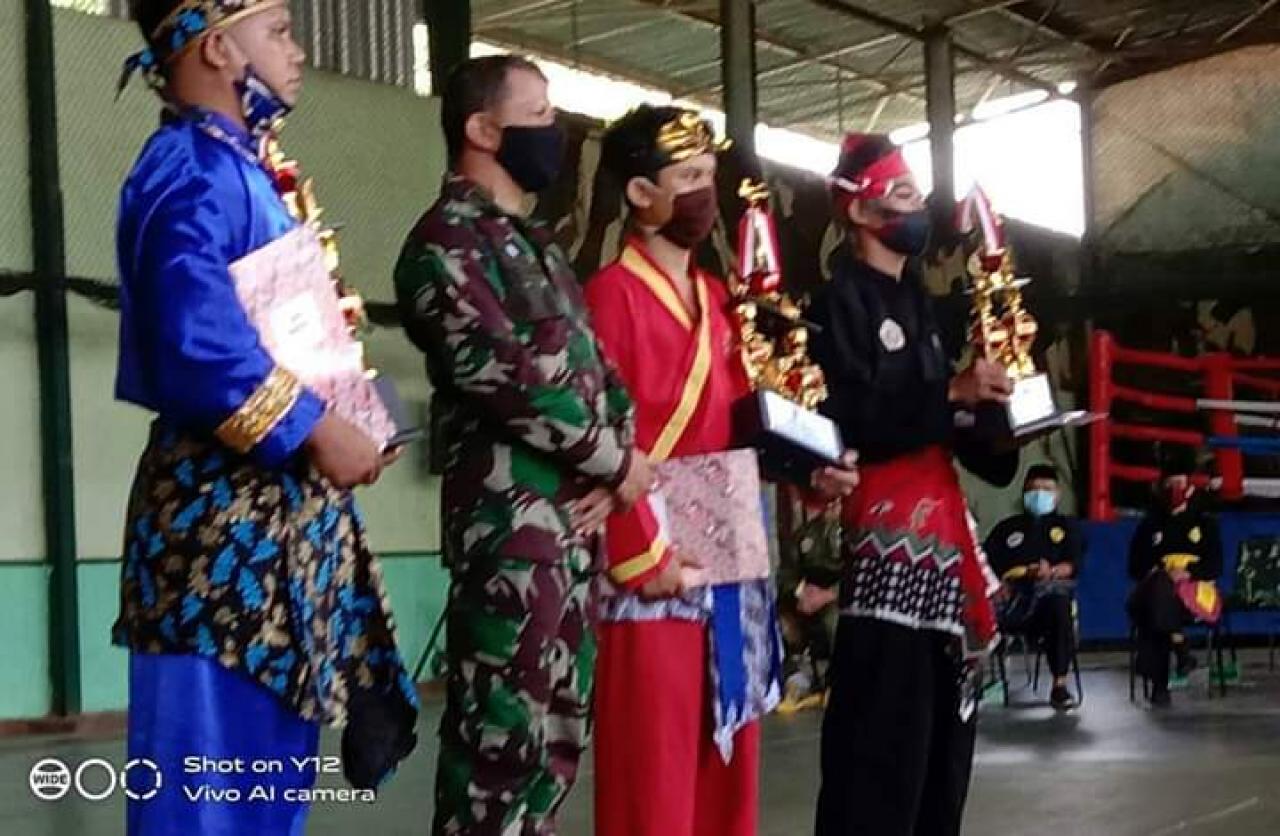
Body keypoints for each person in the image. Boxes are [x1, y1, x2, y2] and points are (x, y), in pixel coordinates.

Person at [113, 2, 418, 833]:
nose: (298, 50)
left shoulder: (250, 171)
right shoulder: (187, 170)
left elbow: (296, 341)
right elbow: (194, 341)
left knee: (263, 800)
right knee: (208, 803)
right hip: (220, 558)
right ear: (216, 47)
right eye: (278, 30)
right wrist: (320, 431)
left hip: (277, 551)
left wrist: (359, 419)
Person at [394, 56, 652, 836]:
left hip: (573, 539)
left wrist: (618, 475)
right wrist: (614, 462)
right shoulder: (443, 245)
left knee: (555, 752)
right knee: (497, 754)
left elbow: (604, 377)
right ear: (481, 129)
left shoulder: (538, 248)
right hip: (509, 537)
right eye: (538, 114)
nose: (556, 132)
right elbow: (501, 378)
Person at [583, 103, 857, 836]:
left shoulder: (718, 299)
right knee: (656, 759)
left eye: (711, 174)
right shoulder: (608, 297)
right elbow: (606, 439)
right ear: (642, 194)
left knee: (729, 753)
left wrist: (809, 472)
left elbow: (746, 419)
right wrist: (645, 558)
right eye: (690, 176)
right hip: (657, 554)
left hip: (733, 545)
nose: (708, 193)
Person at [797, 133, 1015, 836]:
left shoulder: (923, 304)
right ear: (859, 211)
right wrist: (947, 392)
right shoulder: (834, 306)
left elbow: (962, 435)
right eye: (902, 196)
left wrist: (1002, 409)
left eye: (919, 195)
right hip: (884, 566)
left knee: (939, 772)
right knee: (878, 770)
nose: (918, 208)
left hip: (943, 561)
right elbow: (849, 418)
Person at [984, 464, 1083, 711]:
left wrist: (1050, 572)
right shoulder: (1006, 528)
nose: (1039, 494)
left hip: (1046, 595)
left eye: (1046, 489)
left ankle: (1059, 686)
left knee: (1059, 605)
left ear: (1057, 494)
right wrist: (998, 585)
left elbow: (1073, 564)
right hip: (1011, 597)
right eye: (1034, 489)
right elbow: (985, 564)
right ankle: (975, 681)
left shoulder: (1068, 527)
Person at [1127, 462, 1223, 708]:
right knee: (1159, 588)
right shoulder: (1149, 525)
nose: (1174, 489)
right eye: (1168, 485)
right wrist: (1162, 572)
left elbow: (1215, 566)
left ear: (1190, 487)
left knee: (1155, 611)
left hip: (1192, 595)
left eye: (1179, 484)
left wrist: (1187, 572)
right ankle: (1179, 645)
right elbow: (1134, 567)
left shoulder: (1205, 523)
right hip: (1156, 589)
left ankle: (1160, 684)